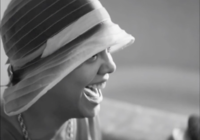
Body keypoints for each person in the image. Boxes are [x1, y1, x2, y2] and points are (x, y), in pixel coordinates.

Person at [0, 0, 135, 140]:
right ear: (44, 72)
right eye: (92, 55)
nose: (111, 66)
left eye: (107, 49)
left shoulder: (83, 119)